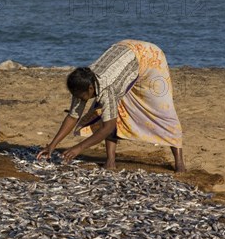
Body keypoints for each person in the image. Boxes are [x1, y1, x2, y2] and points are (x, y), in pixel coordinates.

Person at [37, 39, 185, 172]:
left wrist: (79, 148)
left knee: (163, 111)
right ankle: (110, 162)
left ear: (90, 89)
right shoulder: (83, 83)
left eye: (81, 97)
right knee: (115, 110)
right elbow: (73, 116)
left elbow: (107, 127)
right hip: (124, 50)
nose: (79, 100)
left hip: (150, 57)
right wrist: (52, 145)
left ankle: (180, 163)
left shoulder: (107, 89)